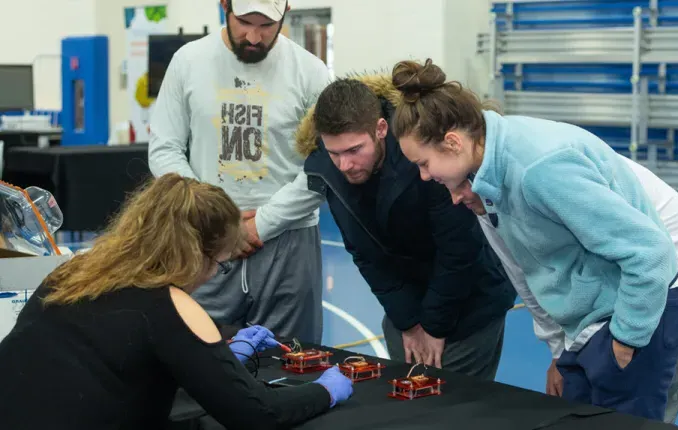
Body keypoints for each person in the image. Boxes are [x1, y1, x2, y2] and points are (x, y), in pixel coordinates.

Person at [390, 58, 678, 422]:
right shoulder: (487, 171)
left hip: (629, 314)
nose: (424, 176)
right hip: (589, 320)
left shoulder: (539, 170)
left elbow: (650, 253)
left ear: (453, 142)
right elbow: (526, 268)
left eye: (424, 163)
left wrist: (626, 339)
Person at [0, 174, 352, 429]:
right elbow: (258, 414)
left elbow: (113, 366)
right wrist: (324, 391)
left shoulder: (75, 272)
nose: (214, 274)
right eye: (219, 263)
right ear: (196, 255)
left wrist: (219, 359)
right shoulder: (168, 304)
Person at [449, 152, 678, 423]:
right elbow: (526, 277)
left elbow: (650, 254)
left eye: (461, 185)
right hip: (613, 274)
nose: (455, 197)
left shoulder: (541, 177)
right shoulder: (483, 198)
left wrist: (628, 340)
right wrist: (559, 351)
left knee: (643, 406)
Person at [294, 77, 517, 380]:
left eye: (354, 150)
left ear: (381, 129)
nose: (345, 165)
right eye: (335, 153)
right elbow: (364, 253)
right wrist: (409, 322)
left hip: (470, 302)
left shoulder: (424, 156)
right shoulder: (329, 170)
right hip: (406, 308)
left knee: (455, 409)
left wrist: (435, 326)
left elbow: (460, 249)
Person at [148, 0, 332, 344]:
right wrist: (215, 217)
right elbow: (164, 148)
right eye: (244, 21)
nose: (253, 36)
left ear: (285, 12)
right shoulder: (188, 62)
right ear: (224, 5)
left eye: (266, 25)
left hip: (288, 241)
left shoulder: (311, 72)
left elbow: (323, 165)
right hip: (204, 237)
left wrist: (261, 224)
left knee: (289, 363)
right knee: (197, 362)